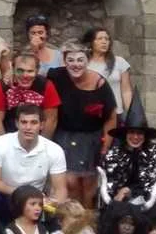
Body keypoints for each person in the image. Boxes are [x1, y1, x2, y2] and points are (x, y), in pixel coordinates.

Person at [48, 40, 117, 208]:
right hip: (64, 135)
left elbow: (111, 116)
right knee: (69, 181)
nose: (75, 64)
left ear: (88, 61)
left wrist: (106, 145)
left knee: (88, 185)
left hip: (91, 138)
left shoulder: (99, 83)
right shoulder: (56, 76)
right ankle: (71, 217)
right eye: (71, 60)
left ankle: (88, 218)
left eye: (80, 60)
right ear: (65, 61)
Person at [0, 105, 67, 225]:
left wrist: (55, 203)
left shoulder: (54, 150)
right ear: (17, 124)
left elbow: (60, 188)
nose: (28, 127)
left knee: (57, 211)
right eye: (24, 122)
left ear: (41, 125)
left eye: (34, 123)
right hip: (7, 195)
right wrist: (24, 194)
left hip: (37, 203)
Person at [101, 96, 156, 212]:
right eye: (131, 132)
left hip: (147, 201)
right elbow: (110, 182)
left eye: (140, 133)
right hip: (118, 200)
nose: (135, 137)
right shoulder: (113, 153)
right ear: (125, 134)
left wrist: (131, 191)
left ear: (145, 135)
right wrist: (120, 193)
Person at [0, 49, 60, 138]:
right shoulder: (2, 86)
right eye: (20, 71)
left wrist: (42, 144)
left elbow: (51, 120)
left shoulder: (46, 86)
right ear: (13, 69)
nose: (25, 75)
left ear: (37, 71)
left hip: (38, 137)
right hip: (8, 136)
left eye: (30, 71)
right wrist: (3, 145)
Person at [84, 27, 133, 120]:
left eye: (106, 39)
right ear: (91, 42)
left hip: (116, 113)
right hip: (91, 113)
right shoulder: (84, 63)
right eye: (100, 39)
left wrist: (131, 114)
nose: (104, 42)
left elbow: (126, 91)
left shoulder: (119, 62)